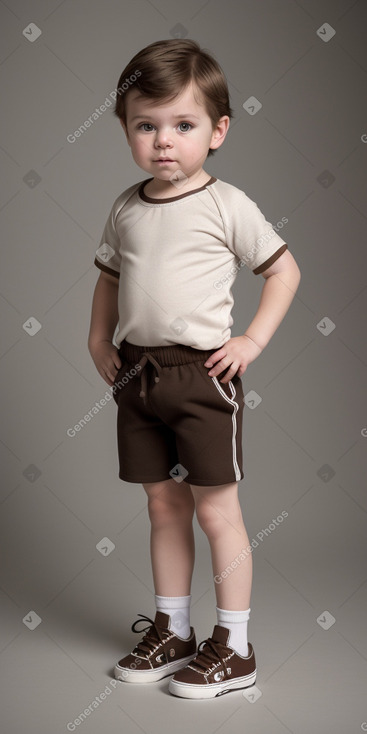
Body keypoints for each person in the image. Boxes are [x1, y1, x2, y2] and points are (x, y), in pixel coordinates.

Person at [88, 38, 301, 700]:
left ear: (217, 131)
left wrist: (252, 342)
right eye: (145, 126)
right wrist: (98, 338)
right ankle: (173, 629)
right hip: (137, 375)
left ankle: (234, 646)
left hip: (200, 377)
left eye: (182, 125)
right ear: (125, 128)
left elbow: (283, 270)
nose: (163, 142)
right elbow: (109, 277)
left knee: (216, 510)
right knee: (161, 504)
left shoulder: (225, 203)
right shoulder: (126, 206)